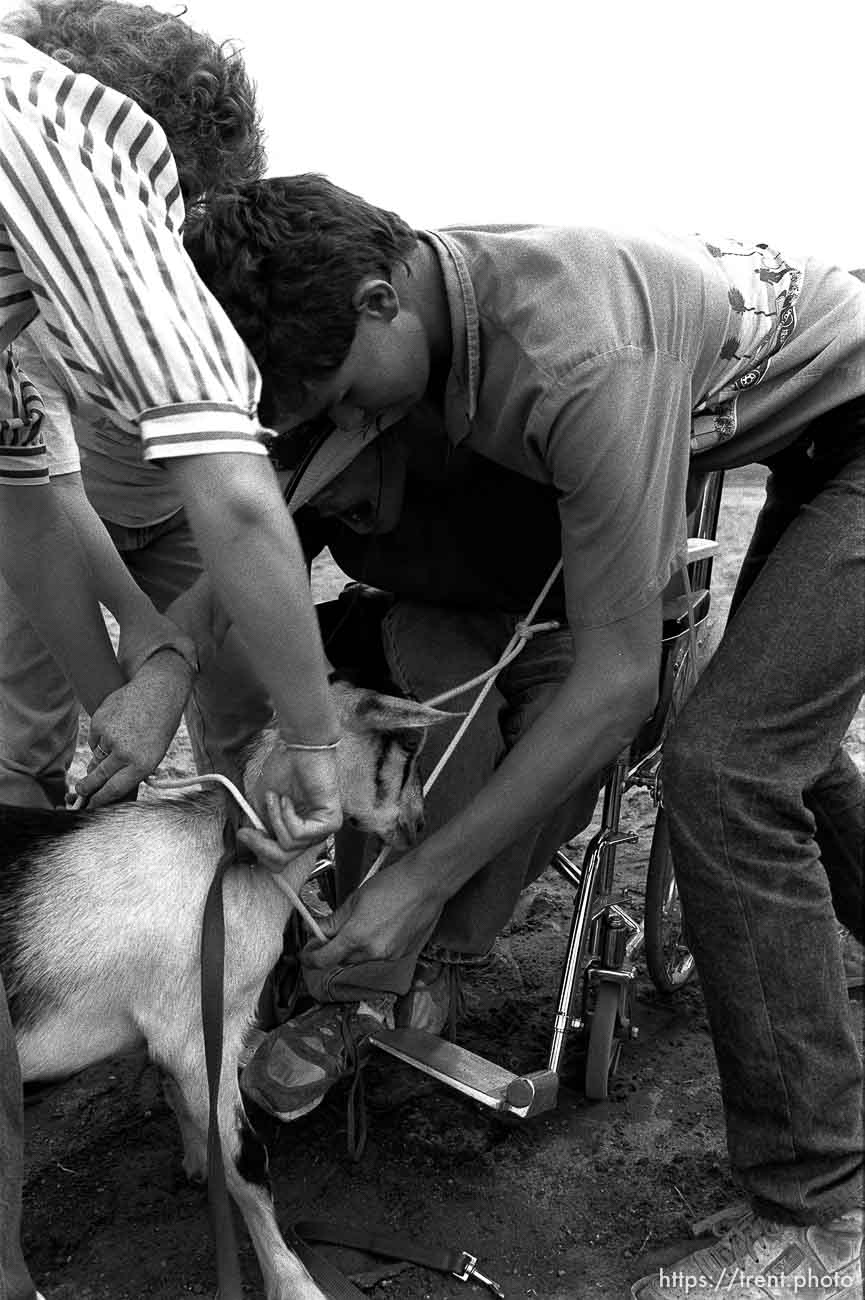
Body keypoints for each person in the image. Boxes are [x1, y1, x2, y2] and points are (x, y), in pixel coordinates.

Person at [184, 174, 864, 1300]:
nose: (351, 427)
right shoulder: (432, 310)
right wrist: (162, 669)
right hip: (807, 427)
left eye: (346, 396)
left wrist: (419, 885)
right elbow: (256, 531)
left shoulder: (576, 355)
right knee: (772, 736)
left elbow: (613, 684)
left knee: (724, 766)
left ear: (376, 298)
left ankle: (822, 1220)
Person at [0, 12, 340, 1300]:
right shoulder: (68, 136)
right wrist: (314, 745)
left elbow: (29, 506)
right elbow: (239, 497)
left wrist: (144, 673)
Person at [238, 413, 607, 1114]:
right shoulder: (314, 484)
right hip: (429, 618)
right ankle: (361, 991)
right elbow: (256, 563)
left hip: (578, 625)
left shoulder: (502, 427)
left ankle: (435, 957)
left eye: (334, 491)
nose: (331, 513)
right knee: (450, 744)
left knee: (556, 758)